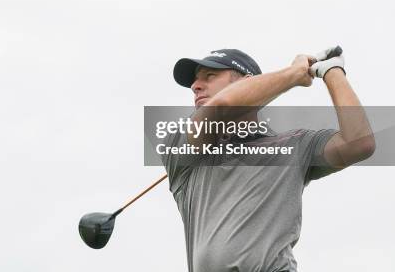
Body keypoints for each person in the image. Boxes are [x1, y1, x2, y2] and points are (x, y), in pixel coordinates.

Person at [161, 48, 375, 272]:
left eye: (210, 76)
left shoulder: (294, 146)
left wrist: (332, 71)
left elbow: (359, 144)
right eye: (195, 80)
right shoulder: (180, 142)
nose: (195, 85)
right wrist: (293, 74)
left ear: (247, 82)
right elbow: (221, 108)